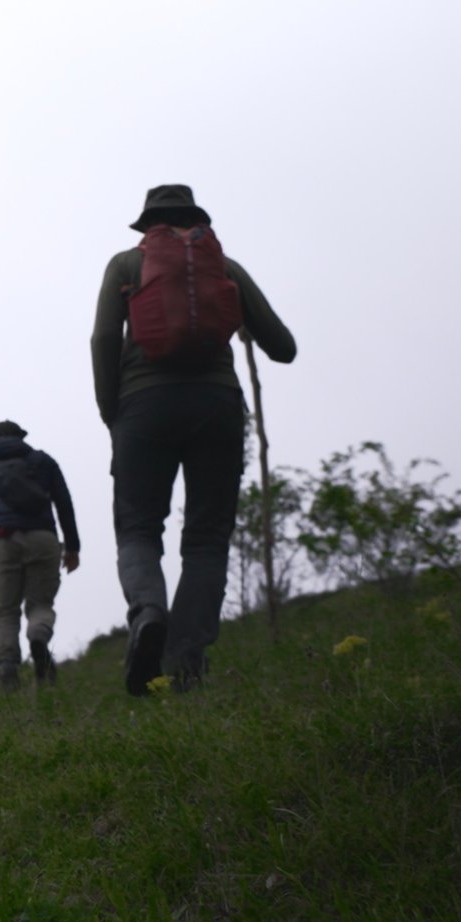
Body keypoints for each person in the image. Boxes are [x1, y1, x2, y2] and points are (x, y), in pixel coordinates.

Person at [91, 183, 296, 694]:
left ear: (148, 225)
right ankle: (186, 658)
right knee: (206, 539)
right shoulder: (224, 267)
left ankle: (148, 616)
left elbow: (101, 340)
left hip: (142, 409)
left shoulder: (124, 265)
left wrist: (111, 413)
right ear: (195, 219)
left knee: (139, 529)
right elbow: (284, 347)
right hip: (217, 407)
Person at [0, 420, 84, 686]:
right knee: (40, 604)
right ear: (21, 437)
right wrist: (72, 547)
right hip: (43, 538)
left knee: (6, 610)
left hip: (4, 541)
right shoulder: (43, 461)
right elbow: (64, 503)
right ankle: (38, 636)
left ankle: (7, 667)